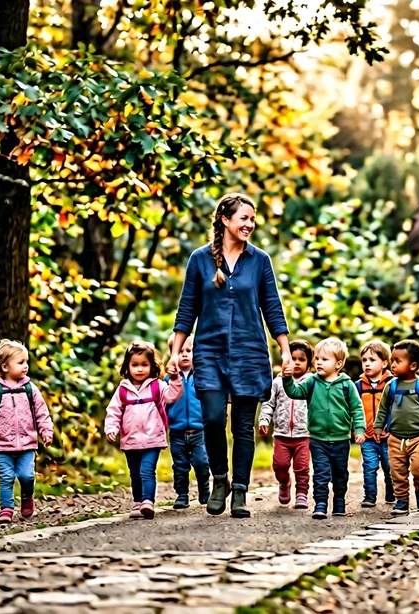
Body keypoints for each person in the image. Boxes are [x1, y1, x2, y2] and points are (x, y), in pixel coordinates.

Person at [169, 193, 291, 518]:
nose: (249, 225)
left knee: (242, 428)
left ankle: (239, 491)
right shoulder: (199, 260)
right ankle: (219, 479)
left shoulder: (260, 260)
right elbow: (186, 310)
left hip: (250, 352)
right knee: (211, 419)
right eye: (244, 218)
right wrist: (176, 349)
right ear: (225, 220)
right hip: (209, 352)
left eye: (253, 219)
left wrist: (285, 350)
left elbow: (273, 308)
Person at [0, 340, 54, 524]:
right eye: (20, 362)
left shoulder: (30, 389)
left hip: (27, 443)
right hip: (2, 444)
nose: (25, 366)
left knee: (27, 475)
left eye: (26, 362)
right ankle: (6, 508)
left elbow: (42, 412)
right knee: (6, 477)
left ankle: (26, 497)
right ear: (4, 366)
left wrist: (46, 432)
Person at [283, 338, 366, 519]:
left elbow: (357, 408)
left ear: (338, 364)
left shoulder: (346, 385)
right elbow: (294, 392)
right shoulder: (312, 382)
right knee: (320, 473)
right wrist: (287, 378)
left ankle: (339, 502)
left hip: (341, 440)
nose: (318, 362)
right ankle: (320, 503)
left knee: (340, 474)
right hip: (318, 439)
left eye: (324, 359)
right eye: (317, 358)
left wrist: (359, 429)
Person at [104, 340, 183, 520]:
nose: (139, 369)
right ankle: (137, 502)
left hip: (152, 438)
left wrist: (175, 379)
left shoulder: (157, 386)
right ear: (127, 366)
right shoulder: (123, 390)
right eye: (135, 365)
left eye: (144, 365)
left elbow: (173, 396)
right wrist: (111, 428)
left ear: (151, 366)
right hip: (130, 439)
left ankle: (148, 502)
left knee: (147, 470)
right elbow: (114, 411)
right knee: (135, 473)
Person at [373, 339, 419, 516]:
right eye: (392, 360)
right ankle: (401, 501)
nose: (392, 365)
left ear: (413, 365)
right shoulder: (391, 386)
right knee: (397, 472)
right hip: (395, 438)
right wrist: (378, 427)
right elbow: (383, 409)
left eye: (397, 361)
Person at [259, 339, 313, 510]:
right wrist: (264, 420)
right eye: (293, 359)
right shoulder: (278, 382)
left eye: (301, 359)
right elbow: (269, 403)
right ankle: (284, 482)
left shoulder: (312, 382)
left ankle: (302, 493)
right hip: (281, 434)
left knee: (302, 467)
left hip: (303, 434)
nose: (296, 363)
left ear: (309, 363)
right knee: (280, 465)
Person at [166, 334, 210, 509]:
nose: (184, 355)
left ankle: (204, 490)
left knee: (201, 462)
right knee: (180, 466)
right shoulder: (168, 380)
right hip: (177, 432)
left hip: (199, 431)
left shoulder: (201, 377)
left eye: (189, 351)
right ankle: (182, 494)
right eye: (180, 351)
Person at [356, 340, 395, 508]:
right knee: (369, 468)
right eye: (364, 360)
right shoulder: (358, 386)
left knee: (390, 467)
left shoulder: (391, 384)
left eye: (372, 360)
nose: (367, 364)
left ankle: (392, 492)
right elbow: (354, 409)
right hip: (368, 437)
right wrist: (357, 429)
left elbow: (397, 409)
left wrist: (391, 429)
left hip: (388, 437)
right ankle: (370, 496)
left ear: (384, 363)